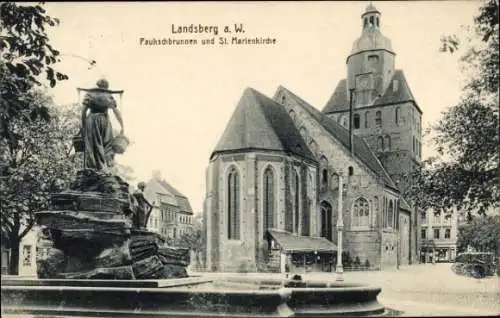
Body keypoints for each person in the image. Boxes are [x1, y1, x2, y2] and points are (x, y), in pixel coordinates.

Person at [80, 78, 124, 171]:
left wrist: (82, 125)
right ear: (106, 86)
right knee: (107, 145)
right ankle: (105, 168)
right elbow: (116, 112)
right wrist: (122, 125)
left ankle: (93, 168)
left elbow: (83, 112)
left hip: (91, 121)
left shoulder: (89, 95)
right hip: (104, 122)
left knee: (92, 145)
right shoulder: (108, 96)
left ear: (97, 85)